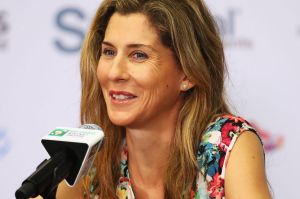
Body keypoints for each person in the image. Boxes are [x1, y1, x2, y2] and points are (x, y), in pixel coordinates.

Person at [47, 0, 272, 198]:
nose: (114, 73)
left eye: (138, 55)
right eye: (109, 52)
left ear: (188, 72)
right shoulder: (91, 164)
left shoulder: (225, 146)